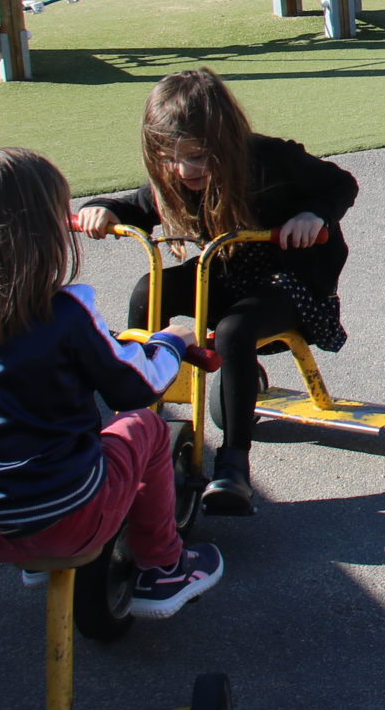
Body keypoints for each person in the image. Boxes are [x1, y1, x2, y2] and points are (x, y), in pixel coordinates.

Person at [0, 147, 224, 617]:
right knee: (144, 428)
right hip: (67, 513)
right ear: (42, 233)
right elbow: (133, 387)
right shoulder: (63, 313)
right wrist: (171, 342)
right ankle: (164, 568)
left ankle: (38, 559)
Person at [75, 70, 359, 515]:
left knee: (233, 331)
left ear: (226, 142)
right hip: (224, 272)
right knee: (148, 292)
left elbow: (339, 183)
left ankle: (233, 464)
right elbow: (138, 205)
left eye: (200, 157)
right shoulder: (174, 178)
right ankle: (136, 422)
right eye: (171, 157)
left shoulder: (268, 159)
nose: (186, 170)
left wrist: (314, 215)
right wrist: (104, 210)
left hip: (289, 282)